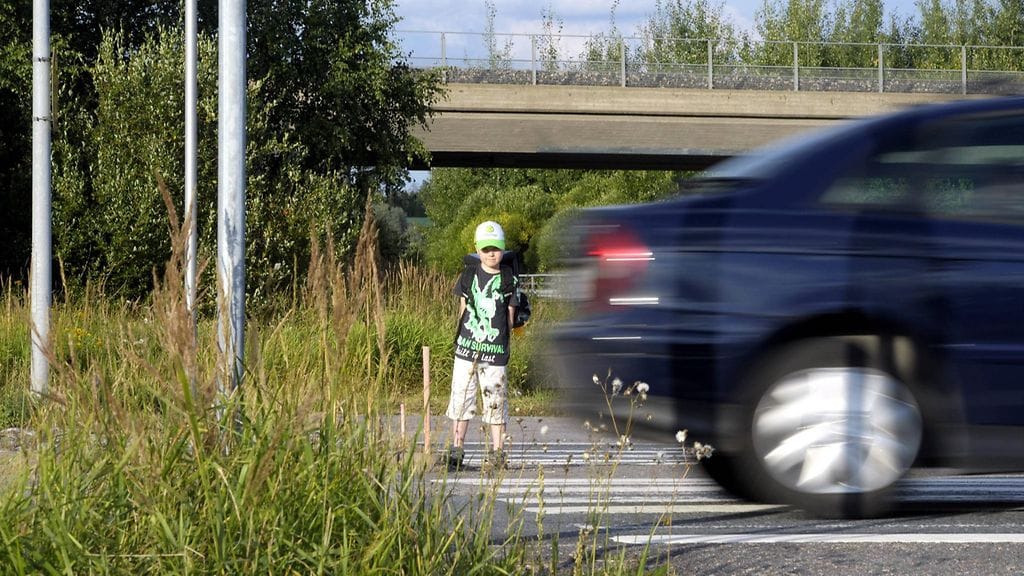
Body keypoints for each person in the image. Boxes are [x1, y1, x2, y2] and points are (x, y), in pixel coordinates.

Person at [445, 220, 518, 471]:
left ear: (502, 249)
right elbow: (463, 310)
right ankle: (457, 448)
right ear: (477, 250)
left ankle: (497, 452)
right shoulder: (469, 275)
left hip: (495, 352)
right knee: (461, 398)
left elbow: (509, 316)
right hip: (467, 350)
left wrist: (506, 341)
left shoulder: (509, 279)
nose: (490, 253)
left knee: (495, 402)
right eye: (485, 249)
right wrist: (462, 335)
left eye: (495, 248)